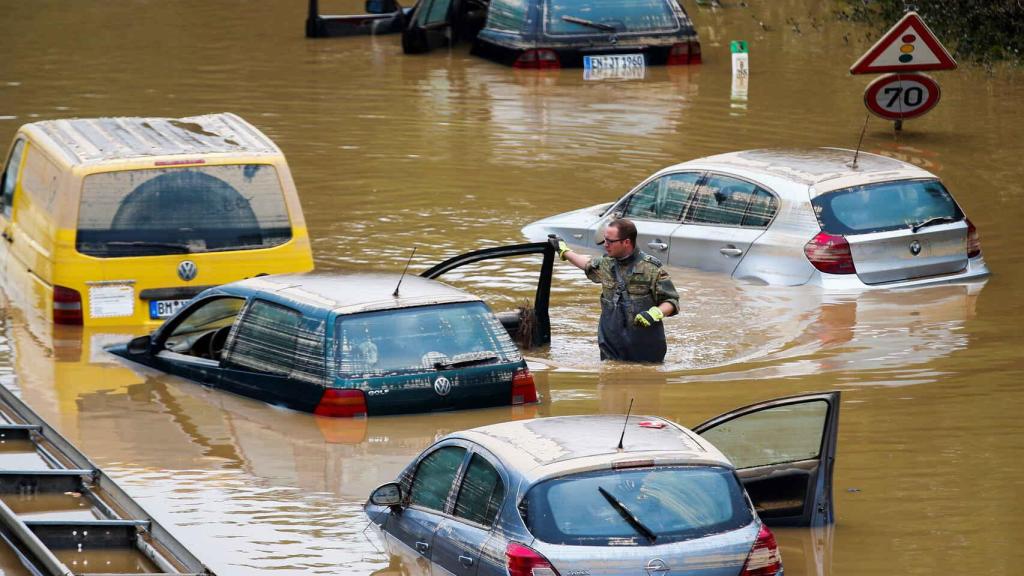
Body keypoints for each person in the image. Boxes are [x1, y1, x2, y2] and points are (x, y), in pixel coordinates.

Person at [549, 219, 679, 363]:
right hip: (611, 344)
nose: (605, 244)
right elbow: (586, 264)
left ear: (626, 242)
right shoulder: (606, 264)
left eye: (610, 241)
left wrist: (655, 313)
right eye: (605, 240)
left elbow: (671, 301)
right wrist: (564, 250)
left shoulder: (652, 268)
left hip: (645, 347)